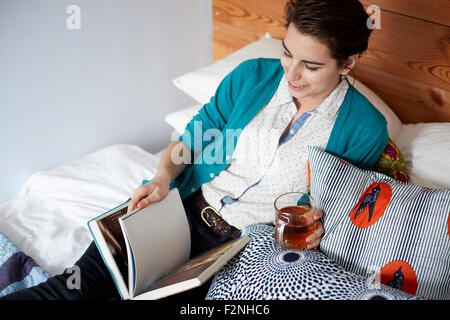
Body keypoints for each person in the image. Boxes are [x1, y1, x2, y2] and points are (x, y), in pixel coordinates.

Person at [1, 0, 388, 300]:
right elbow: (193, 139)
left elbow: (336, 207)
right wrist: (162, 178)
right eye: (287, 52)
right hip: (179, 211)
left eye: (311, 66)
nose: (291, 73)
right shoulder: (252, 75)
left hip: (238, 252)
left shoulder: (365, 127)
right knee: (74, 290)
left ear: (348, 62)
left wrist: (315, 229)